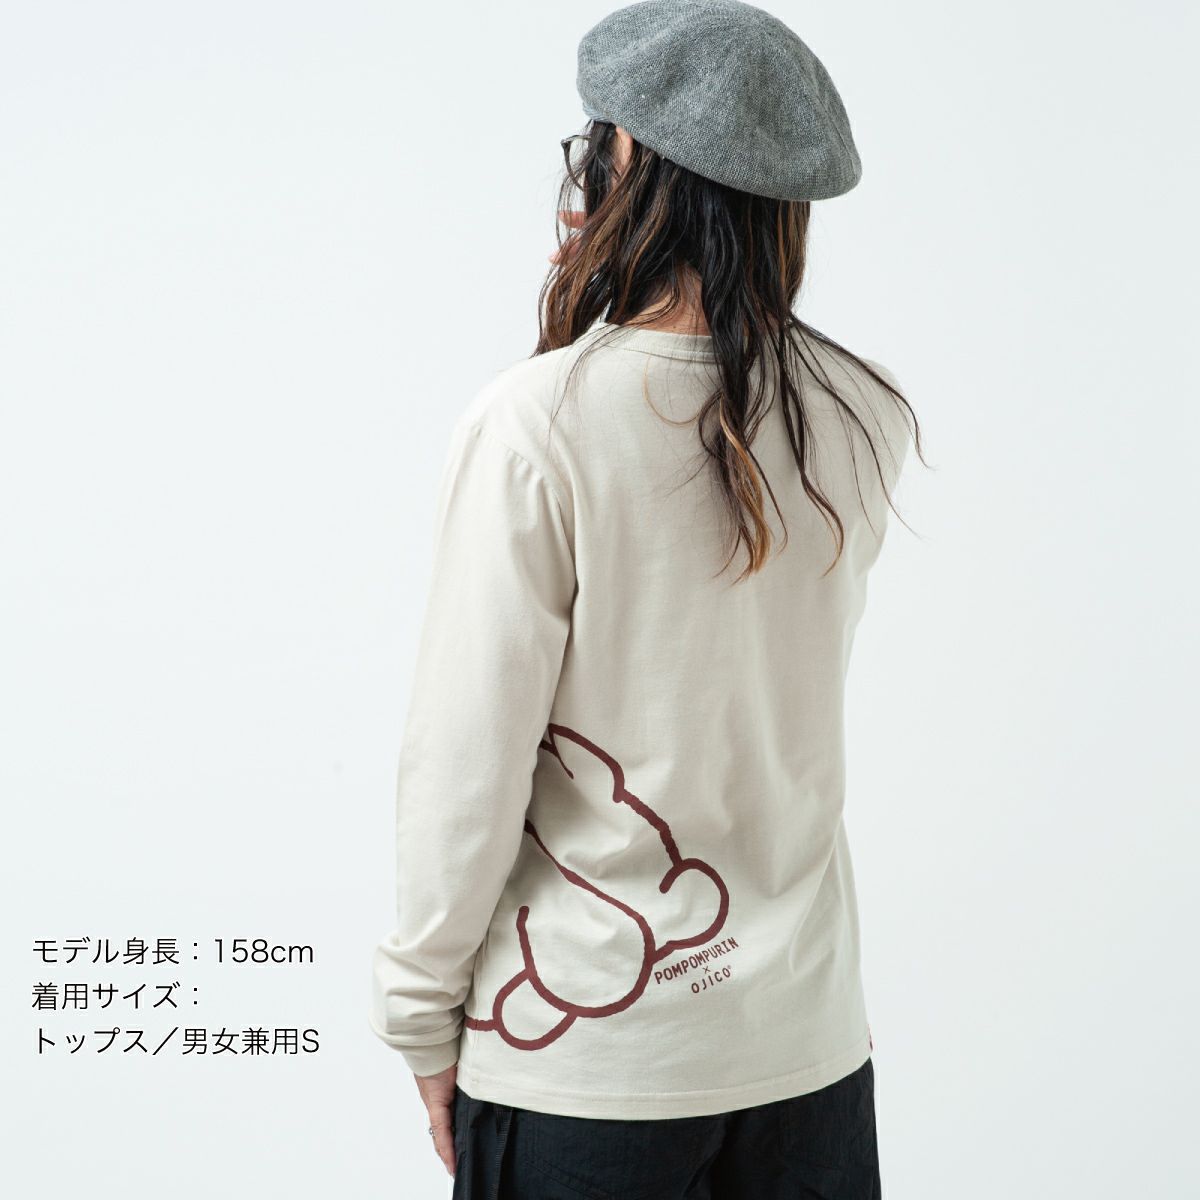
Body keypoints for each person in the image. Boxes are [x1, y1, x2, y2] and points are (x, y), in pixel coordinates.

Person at [368, 1, 925, 1195]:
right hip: (808, 1053)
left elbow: (466, 759)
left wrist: (419, 1014)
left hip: (588, 1070)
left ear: (627, 165)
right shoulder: (862, 413)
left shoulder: (538, 424)